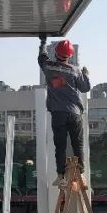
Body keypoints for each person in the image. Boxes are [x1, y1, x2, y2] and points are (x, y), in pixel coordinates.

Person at [38, 36, 91, 185]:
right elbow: (85, 88)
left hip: (58, 113)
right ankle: (81, 175)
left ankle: (61, 177)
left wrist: (43, 42)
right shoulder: (75, 71)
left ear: (56, 53)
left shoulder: (48, 67)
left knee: (60, 146)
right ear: (70, 56)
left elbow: (41, 57)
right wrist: (86, 75)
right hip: (74, 113)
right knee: (77, 144)